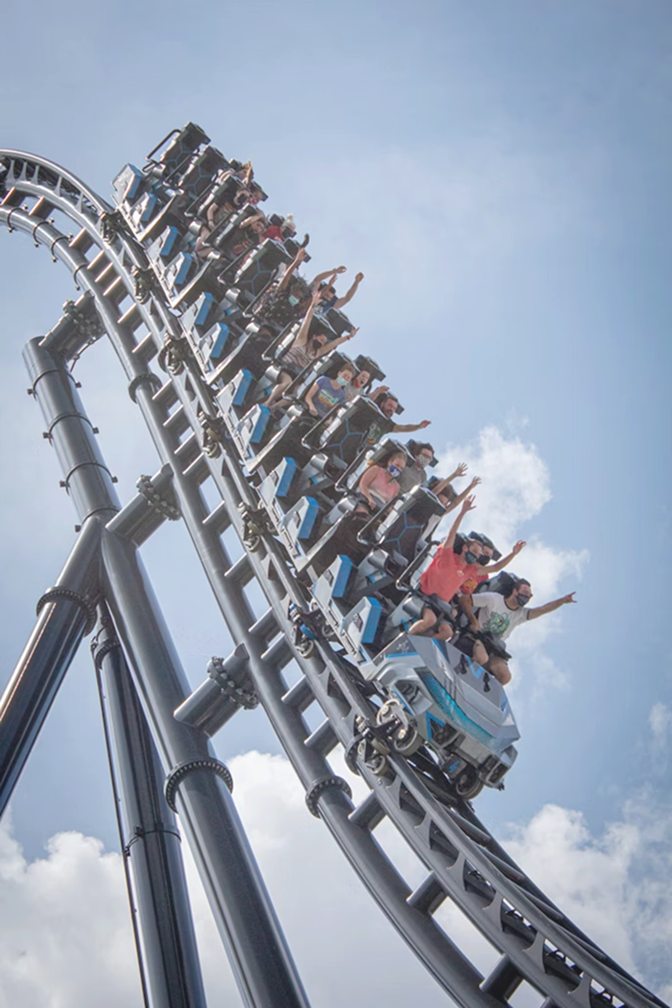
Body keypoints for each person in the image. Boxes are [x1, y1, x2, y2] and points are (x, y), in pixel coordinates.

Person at [408, 496, 526, 641]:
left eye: (479, 554)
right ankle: (404, 641)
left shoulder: (469, 570)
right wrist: (463, 511)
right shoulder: (447, 555)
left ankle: (419, 646)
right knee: (429, 621)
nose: (477, 556)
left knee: (447, 633)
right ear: (465, 548)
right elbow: (452, 532)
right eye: (475, 551)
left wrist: (513, 554)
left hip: (440, 607)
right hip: (425, 597)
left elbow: (495, 567)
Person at [454, 580, 577, 685]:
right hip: (476, 638)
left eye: (529, 595)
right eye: (524, 592)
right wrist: (473, 621)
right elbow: (465, 600)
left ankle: (477, 692)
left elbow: (543, 609)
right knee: (482, 657)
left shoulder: (521, 614)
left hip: (493, 649)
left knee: (505, 676)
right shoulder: (494, 599)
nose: (526, 596)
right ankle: (456, 676)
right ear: (515, 591)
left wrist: (562, 601)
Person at [264, 284, 359, 412]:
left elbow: (333, 344)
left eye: (323, 342)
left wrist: (347, 337)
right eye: (320, 339)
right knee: (286, 384)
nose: (321, 343)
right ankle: (268, 402)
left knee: (296, 394)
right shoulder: (302, 340)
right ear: (314, 337)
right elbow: (306, 322)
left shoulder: (317, 352)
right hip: (285, 368)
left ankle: (274, 407)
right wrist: (313, 305)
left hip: (298, 377)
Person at [364, 391, 431, 447]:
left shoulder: (387, 424)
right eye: (390, 405)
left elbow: (403, 428)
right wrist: (378, 391)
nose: (391, 410)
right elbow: (365, 401)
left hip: (364, 451)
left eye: (394, 409)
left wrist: (418, 426)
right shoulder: (371, 410)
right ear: (382, 404)